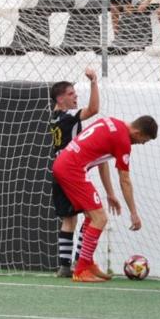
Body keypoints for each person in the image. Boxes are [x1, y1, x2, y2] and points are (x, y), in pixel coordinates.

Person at [52, 115, 158, 282]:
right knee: (100, 218)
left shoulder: (112, 122)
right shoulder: (123, 141)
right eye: (144, 140)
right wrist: (134, 213)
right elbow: (125, 180)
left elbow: (102, 161)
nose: (142, 144)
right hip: (72, 169)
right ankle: (81, 269)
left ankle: (87, 263)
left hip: (65, 164)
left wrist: (110, 193)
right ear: (138, 133)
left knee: (91, 216)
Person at [49, 68, 106, 278]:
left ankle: (65, 266)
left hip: (58, 171)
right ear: (60, 99)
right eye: (71, 94)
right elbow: (94, 109)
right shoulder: (68, 116)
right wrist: (93, 82)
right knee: (93, 215)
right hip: (71, 172)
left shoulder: (54, 117)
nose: (76, 97)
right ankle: (81, 261)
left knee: (69, 220)